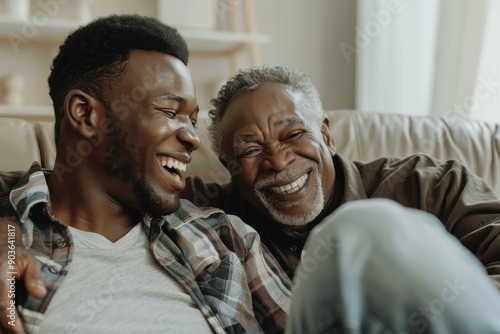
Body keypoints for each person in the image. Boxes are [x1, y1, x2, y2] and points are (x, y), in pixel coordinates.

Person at [3, 60, 500, 333]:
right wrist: (7, 231)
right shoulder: (211, 214)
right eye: (250, 149)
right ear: (228, 167)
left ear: (326, 133)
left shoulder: (426, 184)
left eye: (291, 136)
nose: (278, 163)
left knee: (365, 229)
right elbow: (87, 183)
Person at [0, 15, 291, 334]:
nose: (193, 139)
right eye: (169, 112)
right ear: (85, 114)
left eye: (191, 120)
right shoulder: (12, 234)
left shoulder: (227, 239)